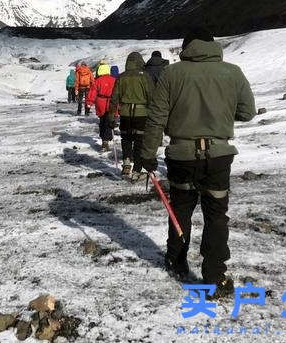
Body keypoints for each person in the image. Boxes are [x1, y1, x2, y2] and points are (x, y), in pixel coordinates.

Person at [139, 28, 256, 299]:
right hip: (218, 156)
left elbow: (157, 117)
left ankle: (176, 261)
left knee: (181, 207)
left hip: (181, 155)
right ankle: (214, 276)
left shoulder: (172, 74)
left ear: (186, 48)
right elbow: (247, 112)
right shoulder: (233, 72)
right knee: (216, 214)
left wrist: (147, 154)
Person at [107, 52, 154, 179]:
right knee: (139, 141)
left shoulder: (121, 77)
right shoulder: (145, 76)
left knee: (126, 139)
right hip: (141, 114)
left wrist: (111, 118)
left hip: (125, 114)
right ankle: (137, 171)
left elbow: (114, 99)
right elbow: (151, 96)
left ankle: (126, 163)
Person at [87, 62, 117, 151]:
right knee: (110, 121)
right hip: (112, 102)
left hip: (101, 102)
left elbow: (92, 92)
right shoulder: (114, 80)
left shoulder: (97, 81)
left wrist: (89, 103)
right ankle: (107, 139)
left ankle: (104, 139)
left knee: (103, 121)